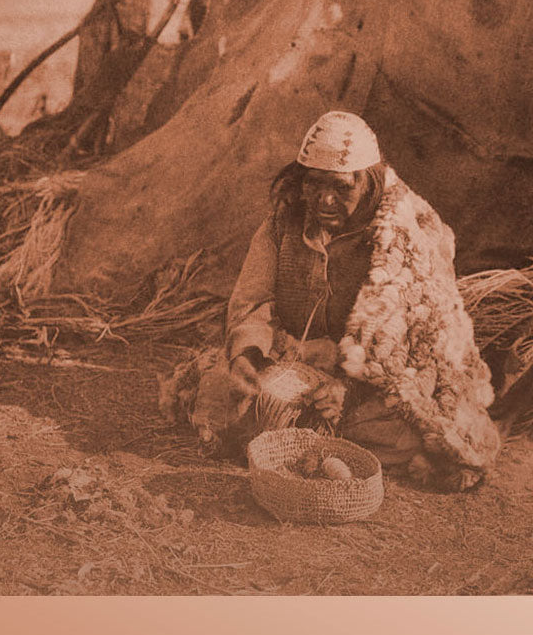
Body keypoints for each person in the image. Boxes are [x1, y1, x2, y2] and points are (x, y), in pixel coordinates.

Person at [183, 111, 500, 491]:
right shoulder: (282, 227)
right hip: (295, 359)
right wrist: (247, 359)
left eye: (341, 188)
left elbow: (421, 351)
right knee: (228, 392)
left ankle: (313, 435)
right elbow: (252, 303)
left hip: (371, 386)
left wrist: (347, 392)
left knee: (414, 431)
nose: (325, 200)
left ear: (368, 184)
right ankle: (309, 435)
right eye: (314, 185)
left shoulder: (404, 240)